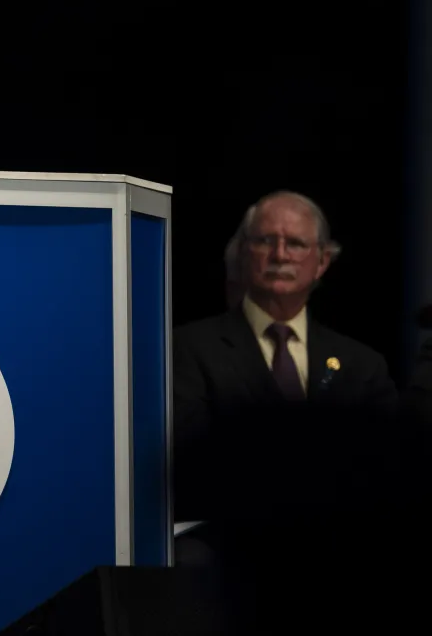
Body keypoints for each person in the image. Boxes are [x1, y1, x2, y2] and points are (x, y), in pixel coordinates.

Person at [172, 192, 405, 629]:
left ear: (321, 262)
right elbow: (189, 455)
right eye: (265, 241)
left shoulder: (361, 363)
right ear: (243, 253)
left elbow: (391, 469)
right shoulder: (188, 348)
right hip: (231, 546)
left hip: (343, 545)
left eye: (295, 244)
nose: (280, 254)